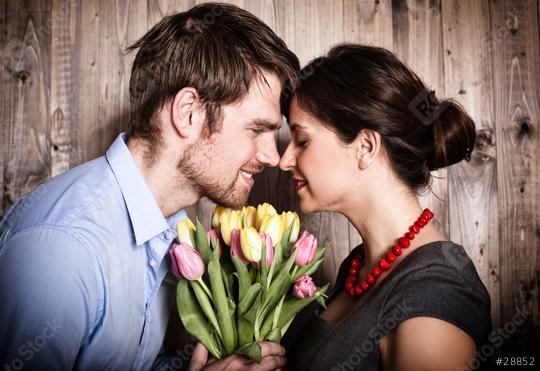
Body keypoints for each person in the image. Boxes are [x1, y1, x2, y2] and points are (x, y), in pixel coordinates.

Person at [0, 3, 299, 370]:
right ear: (188, 113)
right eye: (258, 129)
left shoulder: (170, 227)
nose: (273, 156)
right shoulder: (63, 248)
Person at [279, 44, 492, 370]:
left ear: (365, 146)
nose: (284, 160)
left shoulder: (436, 292)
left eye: (303, 140)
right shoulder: (356, 268)